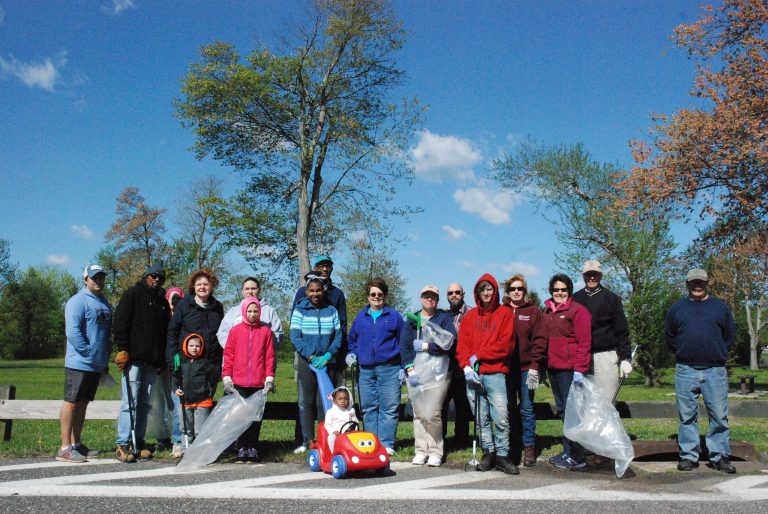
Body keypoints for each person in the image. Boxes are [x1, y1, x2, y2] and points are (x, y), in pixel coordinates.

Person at [666, 268, 737, 474]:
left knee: (719, 416)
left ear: (707, 284)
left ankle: (720, 456)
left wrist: (718, 351)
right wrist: (683, 351)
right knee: (686, 417)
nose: (697, 286)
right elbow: (670, 336)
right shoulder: (677, 308)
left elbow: (729, 334)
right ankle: (688, 456)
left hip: (714, 370)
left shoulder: (720, 307)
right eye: (693, 282)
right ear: (687, 284)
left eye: (701, 282)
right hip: (686, 369)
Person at [456, 273, 518, 475]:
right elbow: (462, 346)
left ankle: (502, 454)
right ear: (477, 292)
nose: (486, 293)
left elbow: (505, 345)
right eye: (482, 289)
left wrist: (479, 355)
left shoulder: (505, 314)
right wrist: (465, 366)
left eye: (489, 289)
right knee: (481, 418)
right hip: (474, 375)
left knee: (500, 416)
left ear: (495, 291)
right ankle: (488, 453)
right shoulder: (470, 317)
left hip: (495, 374)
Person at [112, 262, 170, 463]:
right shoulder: (133, 295)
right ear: (146, 276)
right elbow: (120, 322)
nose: (156, 279)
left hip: (152, 362)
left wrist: (162, 360)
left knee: (145, 404)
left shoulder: (162, 302)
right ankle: (123, 443)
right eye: (153, 276)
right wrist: (123, 349)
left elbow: (164, 334)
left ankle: (139, 441)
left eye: (160, 277)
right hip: (134, 360)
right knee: (130, 402)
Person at [291, 256, 348, 453]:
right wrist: (311, 356)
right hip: (308, 362)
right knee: (307, 402)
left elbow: (338, 334)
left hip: (327, 363)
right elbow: (295, 336)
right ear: (306, 292)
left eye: (318, 290)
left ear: (324, 291)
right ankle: (307, 440)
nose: (315, 294)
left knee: (324, 403)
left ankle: (326, 439)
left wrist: (328, 355)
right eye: (312, 291)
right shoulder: (300, 309)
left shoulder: (331, 310)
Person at [166, 268, 225, 457]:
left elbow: (221, 336)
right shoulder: (185, 305)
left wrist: (218, 366)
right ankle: (180, 442)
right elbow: (173, 332)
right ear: (193, 286)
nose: (202, 287)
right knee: (183, 406)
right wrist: (173, 359)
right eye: (199, 284)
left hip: (209, 367)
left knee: (203, 408)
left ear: (211, 286)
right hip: (185, 365)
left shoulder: (217, 307)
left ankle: (201, 446)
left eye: (206, 284)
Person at [57, 264, 112, 463]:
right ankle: (64, 448)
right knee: (71, 402)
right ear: (85, 279)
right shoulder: (77, 301)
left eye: (101, 277)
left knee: (82, 404)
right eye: (94, 277)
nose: (98, 280)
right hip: (79, 363)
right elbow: (72, 332)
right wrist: (87, 352)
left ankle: (76, 444)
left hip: (96, 364)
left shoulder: (104, 302)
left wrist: (102, 358)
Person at [346, 277, 403, 456]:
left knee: (389, 407)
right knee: (369, 407)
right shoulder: (361, 317)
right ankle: (371, 441)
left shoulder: (394, 316)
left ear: (385, 296)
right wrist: (352, 353)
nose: (376, 297)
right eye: (373, 294)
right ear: (368, 296)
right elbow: (352, 339)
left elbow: (404, 342)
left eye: (380, 294)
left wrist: (403, 367)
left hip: (390, 368)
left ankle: (386, 444)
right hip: (366, 369)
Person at [400, 285, 456, 467]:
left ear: (437, 300)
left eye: (433, 296)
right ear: (421, 298)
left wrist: (426, 346)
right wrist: (409, 368)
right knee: (418, 413)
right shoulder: (411, 319)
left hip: (437, 373)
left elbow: (449, 342)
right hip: (415, 373)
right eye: (426, 296)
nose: (429, 299)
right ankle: (420, 450)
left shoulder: (443, 318)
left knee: (433, 413)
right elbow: (405, 346)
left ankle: (435, 451)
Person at [543, 273, 592, 471]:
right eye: (556, 289)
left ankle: (577, 455)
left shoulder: (578, 311)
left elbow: (584, 342)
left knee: (573, 413)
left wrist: (580, 369)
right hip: (553, 368)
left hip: (569, 370)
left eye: (563, 289)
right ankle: (567, 451)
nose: (560, 293)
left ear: (569, 290)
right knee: (563, 411)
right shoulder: (547, 311)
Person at [222, 296, 276, 463]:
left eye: (255, 311)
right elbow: (229, 355)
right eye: (249, 311)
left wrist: (269, 378)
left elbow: (269, 357)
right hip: (239, 382)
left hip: (259, 383)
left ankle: (252, 447)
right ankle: (241, 447)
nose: (252, 314)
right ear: (244, 311)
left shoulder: (265, 331)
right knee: (241, 417)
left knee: (255, 418)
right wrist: (227, 377)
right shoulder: (236, 331)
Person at [503, 274, 546, 468]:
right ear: (508, 292)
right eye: (513, 289)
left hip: (526, 368)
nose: (516, 292)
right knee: (509, 407)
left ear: (525, 291)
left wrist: (535, 366)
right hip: (506, 368)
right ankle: (514, 445)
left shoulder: (534, 311)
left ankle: (529, 446)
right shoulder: (501, 310)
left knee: (527, 408)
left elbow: (539, 339)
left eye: (520, 289)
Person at [572, 260, 631, 397]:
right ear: (583, 276)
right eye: (588, 274)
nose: (592, 277)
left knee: (607, 401)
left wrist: (625, 358)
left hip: (605, 356)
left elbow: (621, 330)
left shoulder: (612, 299)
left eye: (595, 274)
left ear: (600, 276)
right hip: (581, 357)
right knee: (583, 403)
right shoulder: (574, 299)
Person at [172, 333, 218, 447]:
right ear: (186, 346)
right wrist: (176, 389)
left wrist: (209, 394)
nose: (194, 348)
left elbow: (213, 380)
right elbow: (175, 378)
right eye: (191, 345)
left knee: (200, 430)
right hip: (185, 401)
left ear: (201, 347)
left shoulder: (205, 363)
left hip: (202, 401)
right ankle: (185, 450)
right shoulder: (181, 362)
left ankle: (199, 453)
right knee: (186, 429)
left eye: (197, 346)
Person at [441, 282, 472, 446]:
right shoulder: (442, 315)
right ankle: (441, 439)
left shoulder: (472, 313)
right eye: (450, 293)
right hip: (445, 365)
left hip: (464, 365)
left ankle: (462, 439)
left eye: (457, 292)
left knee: (462, 404)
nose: (454, 295)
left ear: (463, 294)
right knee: (442, 403)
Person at [217, 276, 283, 350]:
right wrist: (235, 349)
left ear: (259, 290)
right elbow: (222, 333)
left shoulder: (270, 311)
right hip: (236, 359)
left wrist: (262, 350)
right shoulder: (232, 312)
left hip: (261, 359)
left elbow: (277, 334)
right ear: (242, 291)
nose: (250, 292)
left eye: (253, 288)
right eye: (247, 289)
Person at [325, 386, 359, 452]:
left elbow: (355, 421)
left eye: (346, 399)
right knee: (331, 438)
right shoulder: (331, 412)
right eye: (340, 399)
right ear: (334, 401)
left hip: (350, 433)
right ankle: (333, 452)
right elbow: (327, 424)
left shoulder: (351, 411)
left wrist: (354, 428)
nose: (343, 401)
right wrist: (333, 432)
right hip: (337, 434)